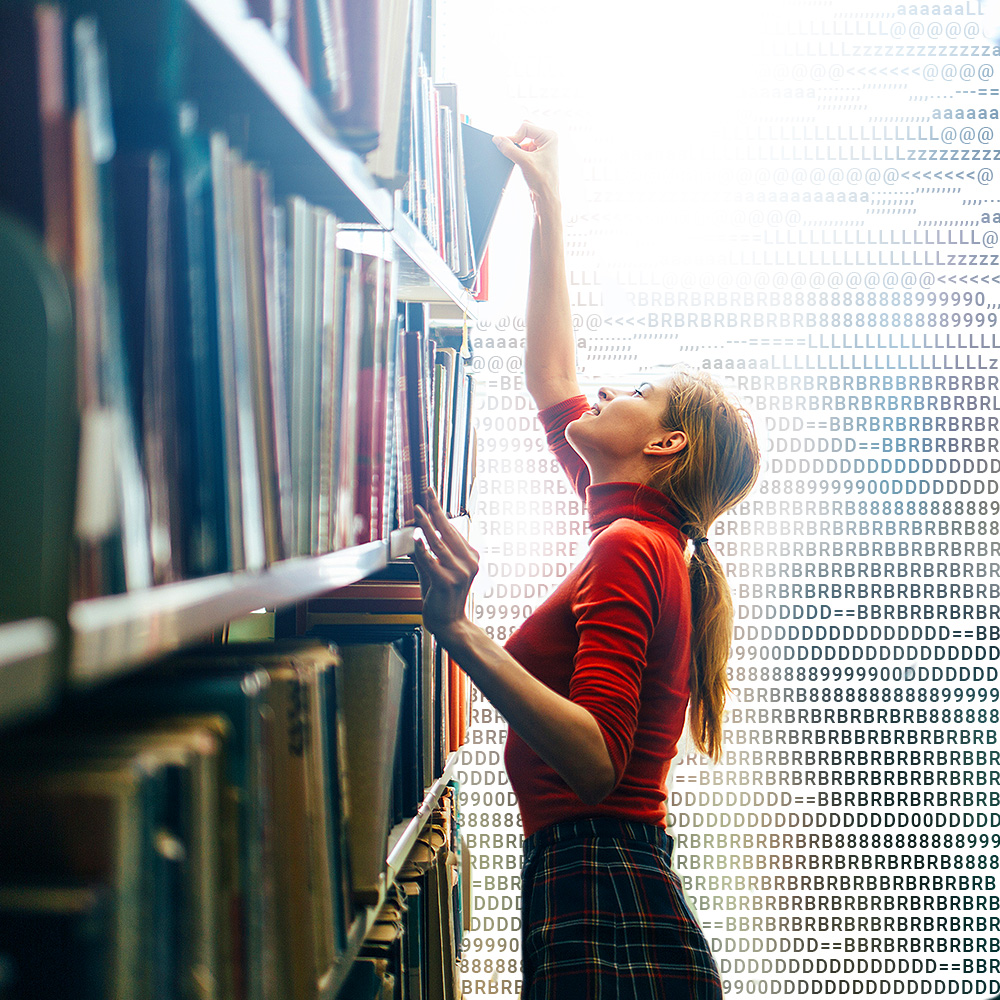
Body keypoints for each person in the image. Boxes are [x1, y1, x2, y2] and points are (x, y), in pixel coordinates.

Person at [410, 122, 760, 1000]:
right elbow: (552, 379)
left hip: (601, 883)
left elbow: (598, 760)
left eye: (635, 393)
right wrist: (547, 204)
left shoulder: (632, 547)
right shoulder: (638, 528)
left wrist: (458, 630)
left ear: (667, 443)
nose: (605, 392)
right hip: (599, 878)